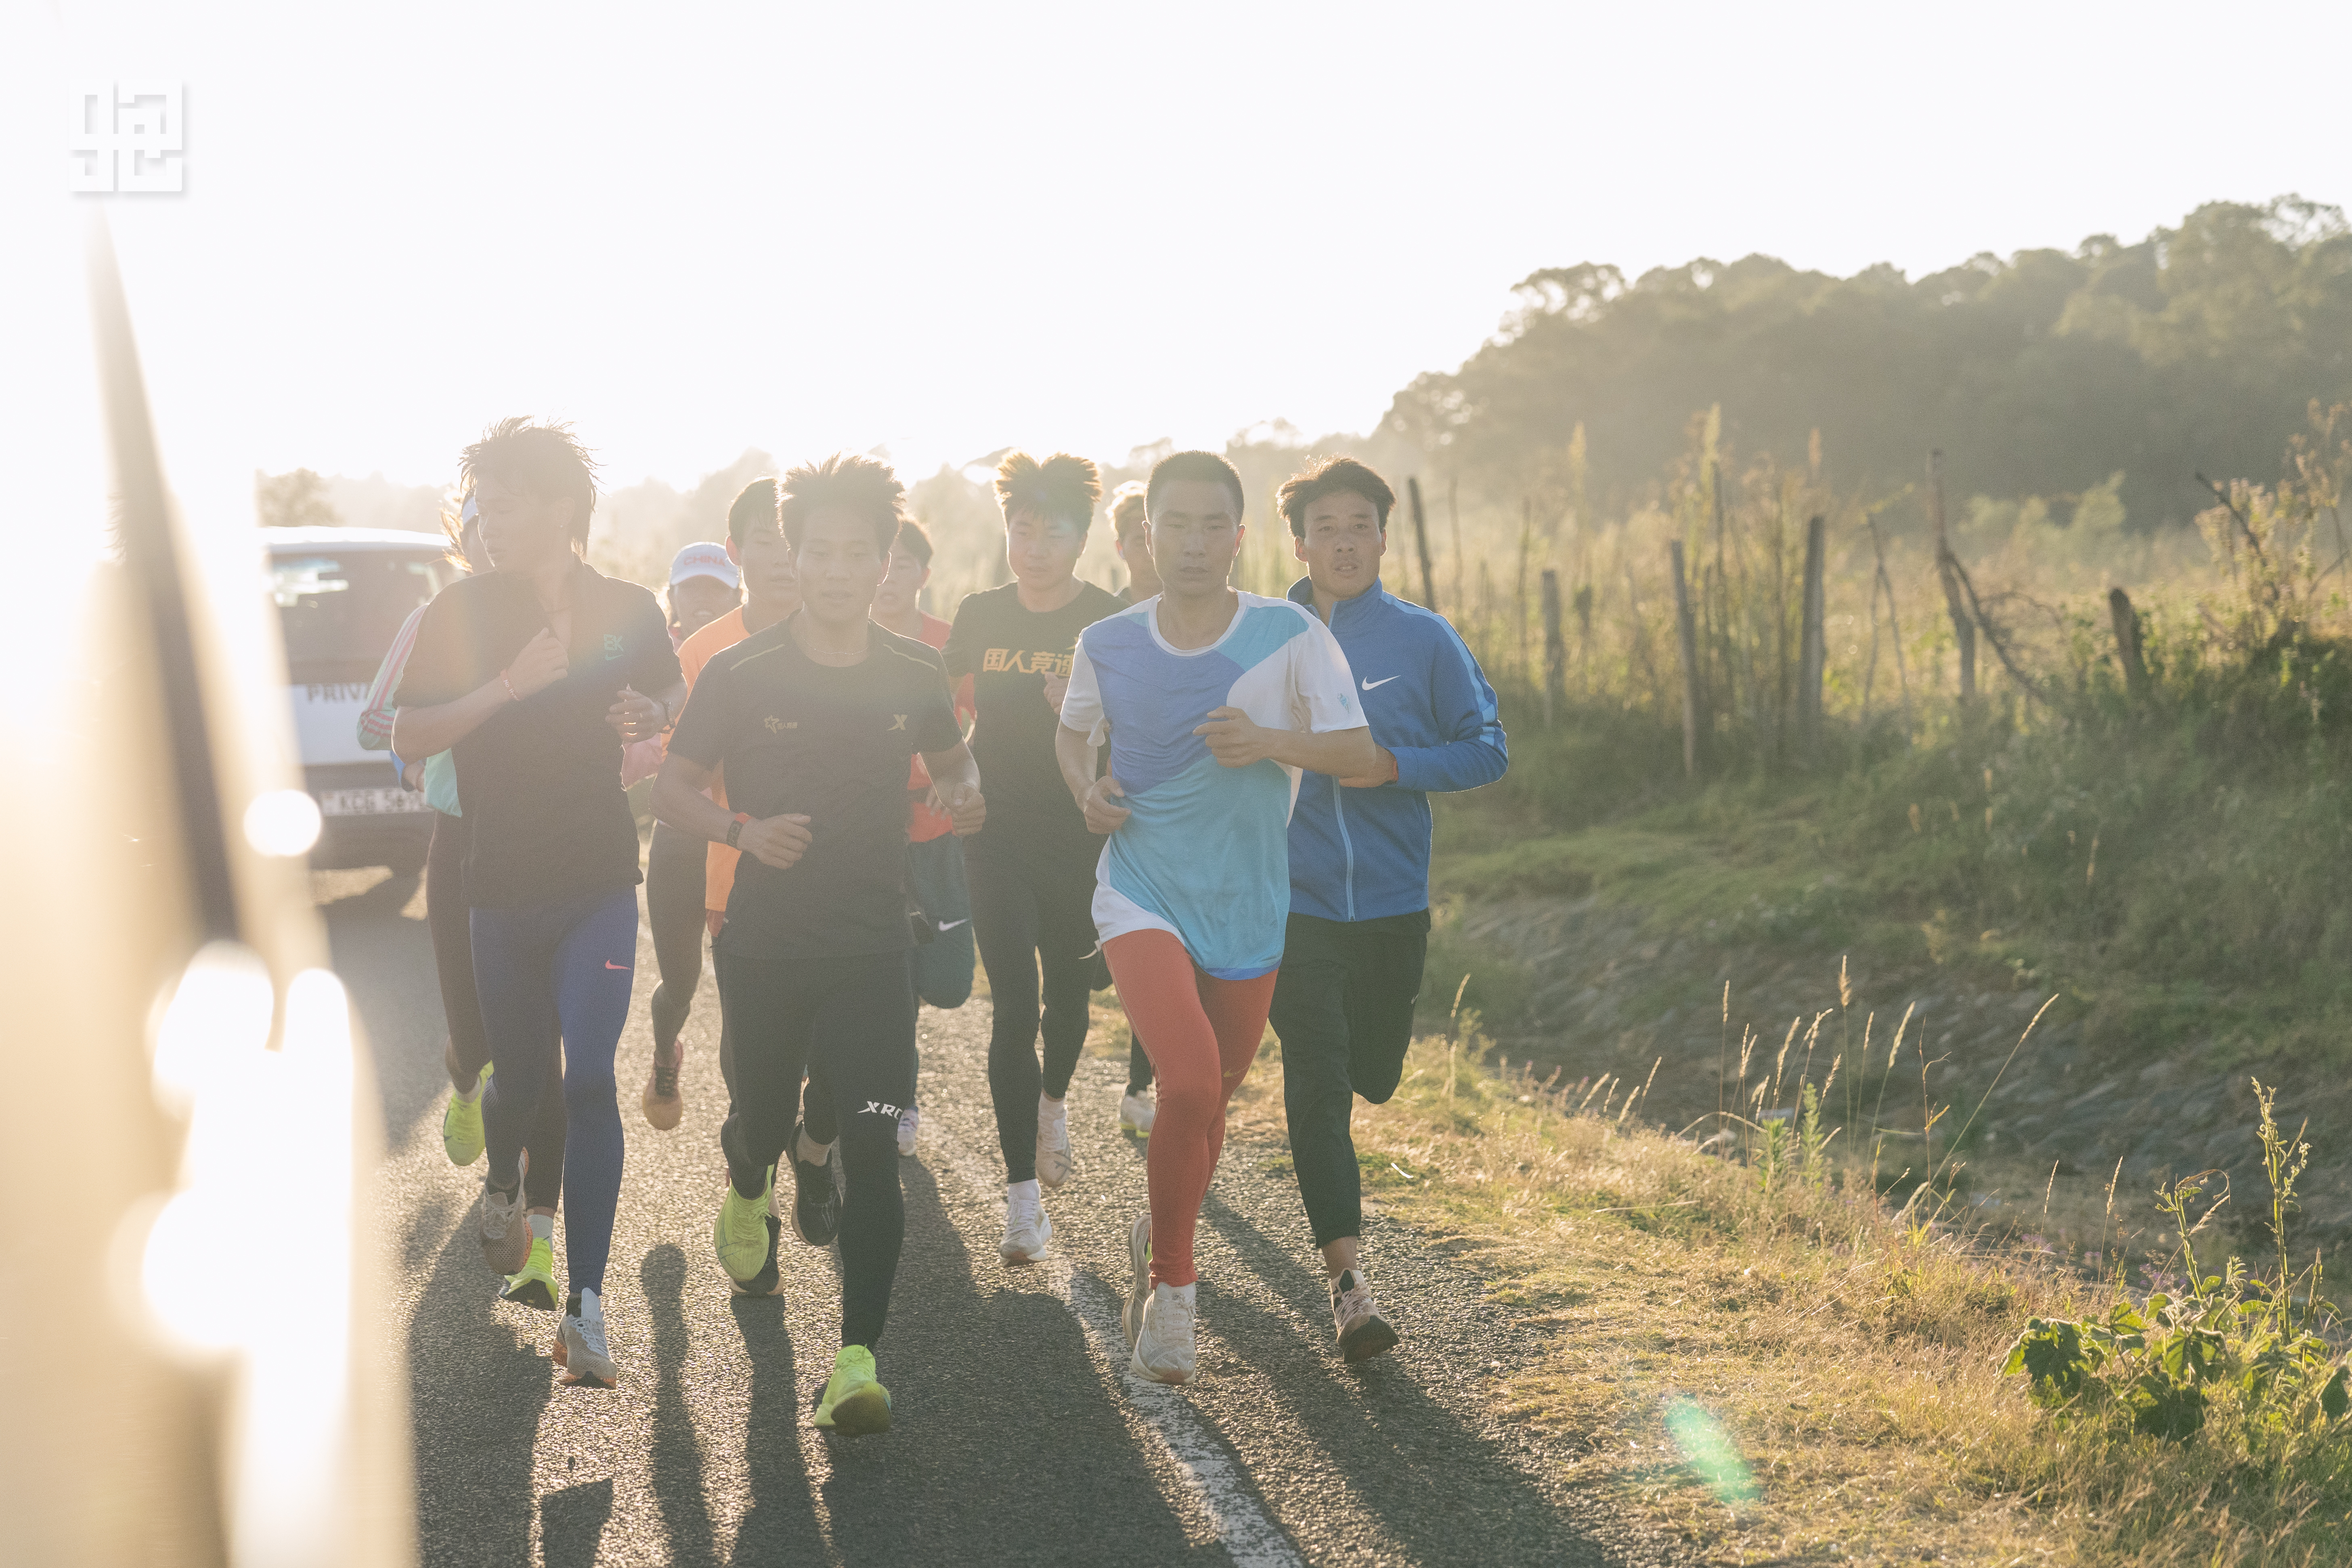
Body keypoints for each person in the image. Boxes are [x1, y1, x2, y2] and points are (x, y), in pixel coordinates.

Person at [654, 453, 983, 1436]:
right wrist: (740, 833)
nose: (839, 570)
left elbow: (959, 773)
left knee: (874, 1141)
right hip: (763, 948)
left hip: (875, 950)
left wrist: (967, 800)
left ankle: (855, 1360)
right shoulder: (739, 671)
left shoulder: (915, 671)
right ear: (791, 557)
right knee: (756, 1112)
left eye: (859, 552)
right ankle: (753, 1169)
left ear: (887, 560)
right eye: (820, 552)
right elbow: (669, 789)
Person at [1055, 449, 1378, 1385]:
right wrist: (1088, 789)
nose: (1193, 542)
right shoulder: (1108, 640)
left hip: (1248, 902)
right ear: (1145, 532)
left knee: (1207, 1105)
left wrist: (1270, 742)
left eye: (1212, 525)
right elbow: (1074, 732)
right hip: (1140, 886)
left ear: (1239, 536)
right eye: (1174, 524)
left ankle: (1158, 1223)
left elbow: (1358, 751)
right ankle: (1172, 1288)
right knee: (1189, 1081)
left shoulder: (1288, 633)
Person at [392, 418, 685, 1390]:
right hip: (499, 887)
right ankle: (505, 1181)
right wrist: (504, 687)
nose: (489, 517)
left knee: (591, 1077)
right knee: (519, 1080)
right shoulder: (461, 611)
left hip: (600, 879)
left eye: (509, 501)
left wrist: (653, 713)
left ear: (560, 508)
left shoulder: (627, 605)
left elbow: (672, 692)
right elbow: (407, 735)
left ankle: (588, 1309)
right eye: (483, 501)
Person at [1269, 456, 1507, 1363]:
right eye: (1324, 525)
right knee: (1319, 1081)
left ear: (1380, 535)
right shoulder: (1264, 637)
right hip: (1296, 903)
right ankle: (1349, 1286)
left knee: (1374, 1074)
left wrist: (1393, 764)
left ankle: (1346, 1267)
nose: (1341, 540)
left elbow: (1487, 751)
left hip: (1395, 904)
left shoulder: (1423, 640)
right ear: (1299, 542)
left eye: (1357, 524)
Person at [360, 495, 569, 1311]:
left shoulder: (565, 613)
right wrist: (419, 755)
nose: (496, 536)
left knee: (541, 1052)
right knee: (481, 1041)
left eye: (510, 517)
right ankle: (464, 1074)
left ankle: (534, 1236)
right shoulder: (439, 616)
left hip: (550, 852)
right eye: (481, 525)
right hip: (459, 839)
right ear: (466, 540)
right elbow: (380, 722)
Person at [942, 452, 1124, 1264]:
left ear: (1082, 538)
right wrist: (954, 776)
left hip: (1078, 834)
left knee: (1070, 987)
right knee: (1014, 1001)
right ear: (1006, 533)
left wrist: (1089, 715)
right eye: (1023, 528)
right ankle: (1022, 1201)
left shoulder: (1111, 621)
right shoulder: (979, 614)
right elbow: (940, 714)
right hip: (996, 831)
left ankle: (1053, 1100)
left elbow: (1142, 727)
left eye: (1054, 531)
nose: (1037, 545)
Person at [642, 497, 794, 1132]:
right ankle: (664, 1053)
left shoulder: (828, 639)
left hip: (772, 849)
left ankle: (750, 1159)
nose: (783, 556)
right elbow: (676, 773)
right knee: (681, 985)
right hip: (690, 840)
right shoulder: (702, 653)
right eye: (767, 540)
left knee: (751, 1009)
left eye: (793, 541)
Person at [870, 518, 979, 1158]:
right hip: (874, 836)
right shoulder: (847, 644)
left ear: (922, 576)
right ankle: (897, 1102)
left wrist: (959, 769)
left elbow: (985, 714)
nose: (889, 578)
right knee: (891, 978)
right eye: (880, 562)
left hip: (938, 835)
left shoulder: (942, 646)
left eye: (903, 565)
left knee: (944, 982)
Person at [1103, 481, 1161, 1132]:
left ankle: (1143, 1082)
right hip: (1100, 800)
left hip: (1169, 813)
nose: (1150, 547)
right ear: (1120, 544)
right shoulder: (1098, 622)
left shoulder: (1209, 618)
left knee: (1159, 943)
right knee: (1100, 964)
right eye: (1138, 535)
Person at [665, 541, 741, 644]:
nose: (703, 596)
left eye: (717, 587)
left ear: (738, 597)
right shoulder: (649, 653)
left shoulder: (758, 651)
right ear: (671, 597)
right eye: (690, 587)